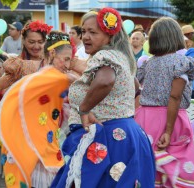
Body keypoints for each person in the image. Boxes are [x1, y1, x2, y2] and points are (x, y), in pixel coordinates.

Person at [51, 7, 155, 188]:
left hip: (107, 136)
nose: (85, 37)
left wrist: (84, 109)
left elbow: (106, 81)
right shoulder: (120, 56)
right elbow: (135, 86)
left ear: (110, 36)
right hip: (125, 132)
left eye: (93, 32)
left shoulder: (105, 55)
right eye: (83, 31)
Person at [135, 17, 194, 187]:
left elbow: (136, 88)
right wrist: (169, 130)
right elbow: (175, 97)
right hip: (171, 118)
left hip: (145, 118)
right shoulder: (181, 63)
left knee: (148, 160)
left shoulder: (148, 63)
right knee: (179, 157)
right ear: (176, 37)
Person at [0, 31, 77, 187]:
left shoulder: (58, 75)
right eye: (66, 59)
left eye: (70, 60)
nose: (68, 65)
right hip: (29, 138)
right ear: (52, 53)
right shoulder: (43, 75)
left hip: (49, 135)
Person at [0, 20, 53, 179]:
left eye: (40, 42)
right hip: (22, 121)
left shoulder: (53, 62)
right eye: (31, 42)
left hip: (48, 120)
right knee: (23, 165)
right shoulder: (18, 64)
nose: (36, 46)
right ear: (23, 41)